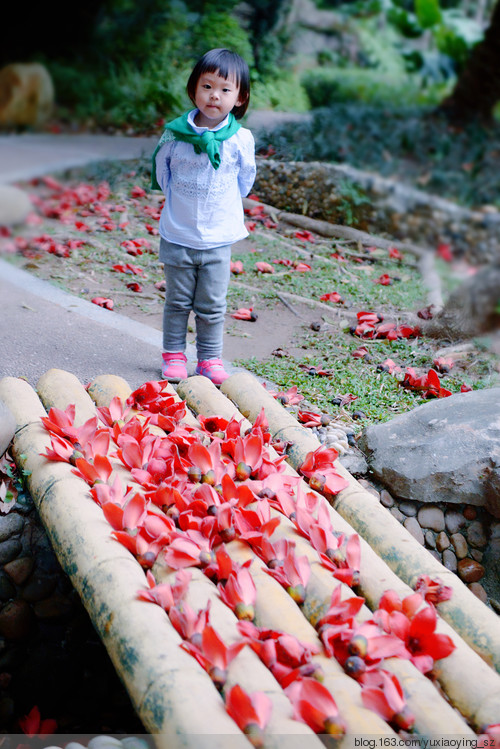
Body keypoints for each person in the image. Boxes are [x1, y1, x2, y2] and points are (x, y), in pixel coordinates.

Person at [151, 48, 256, 385]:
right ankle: (173, 355)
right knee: (178, 301)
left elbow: (245, 181)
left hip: (217, 238)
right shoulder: (174, 135)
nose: (215, 96)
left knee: (212, 304)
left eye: (226, 89)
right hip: (178, 233)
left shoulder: (240, 140)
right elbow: (161, 172)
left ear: (240, 98)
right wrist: (179, 203)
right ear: (193, 89)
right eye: (207, 86)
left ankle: (210, 358)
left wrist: (222, 207)